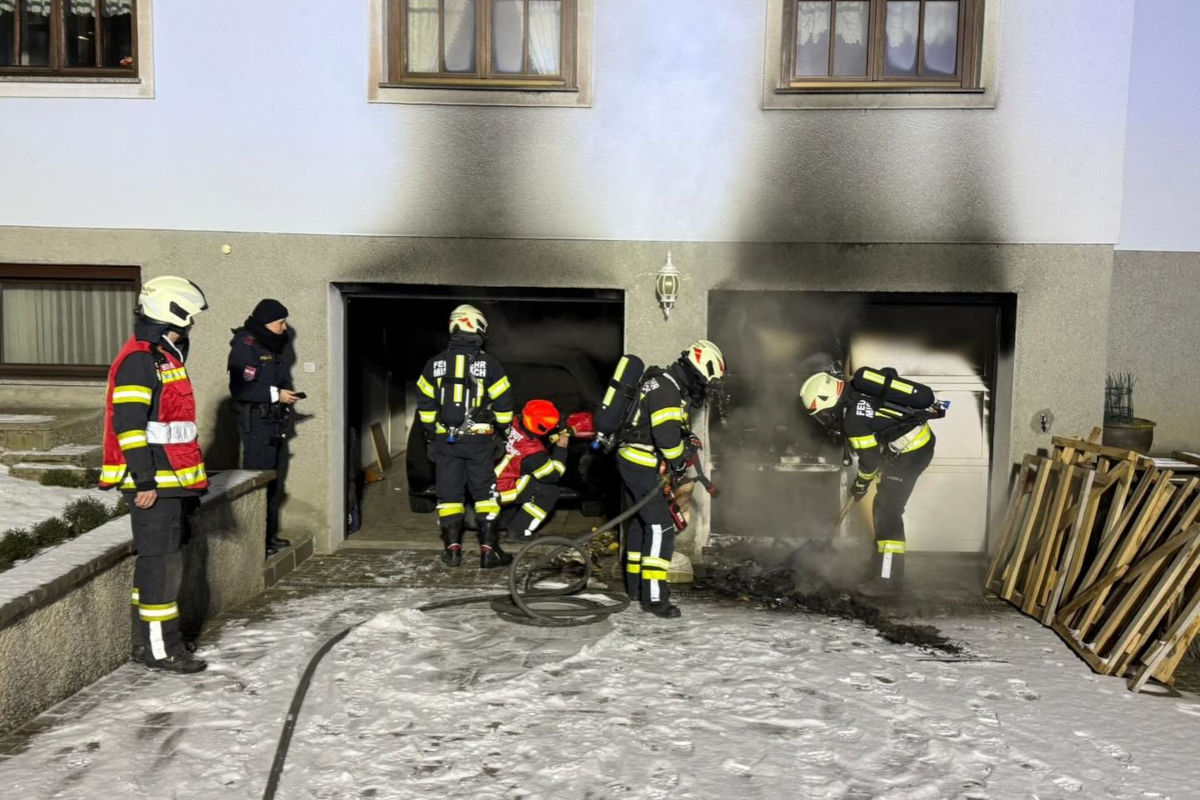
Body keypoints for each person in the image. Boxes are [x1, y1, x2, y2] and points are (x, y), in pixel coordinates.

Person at [98, 275, 210, 674]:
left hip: (171, 482)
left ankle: (149, 644)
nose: (191, 326)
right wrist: (144, 480)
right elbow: (129, 425)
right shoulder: (140, 361)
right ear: (170, 314)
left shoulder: (161, 355)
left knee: (157, 565)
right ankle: (164, 649)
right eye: (188, 319)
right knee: (161, 566)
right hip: (155, 485)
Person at [799, 366, 942, 592]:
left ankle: (887, 579)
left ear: (827, 402)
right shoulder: (855, 394)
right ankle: (881, 567)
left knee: (888, 512)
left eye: (822, 413)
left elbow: (870, 462)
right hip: (911, 448)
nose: (824, 419)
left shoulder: (853, 421)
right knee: (884, 507)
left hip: (912, 453)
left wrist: (859, 485)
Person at [617, 340, 726, 618]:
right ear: (698, 370)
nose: (702, 388)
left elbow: (665, 427)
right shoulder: (667, 389)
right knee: (661, 527)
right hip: (642, 463)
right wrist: (678, 462)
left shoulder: (662, 382)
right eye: (704, 381)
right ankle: (655, 598)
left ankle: (634, 588)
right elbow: (666, 439)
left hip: (631, 460)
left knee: (641, 525)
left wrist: (685, 436)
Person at [416, 304, 515, 568]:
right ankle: (489, 551)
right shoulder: (489, 363)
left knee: (448, 495)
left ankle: (452, 551)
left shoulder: (434, 364)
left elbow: (425, 405)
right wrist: (503, 432)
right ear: (477, 327)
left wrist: (431, 435)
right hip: (480, 440)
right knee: (485, 494)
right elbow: (504, 404)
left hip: (445, 440)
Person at [228, 298, 300, 556]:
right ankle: (255, 543)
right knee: (258, 483)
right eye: (281, 322)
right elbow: (241, 389)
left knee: (273, 483)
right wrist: (276, 395)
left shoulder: (271, 345)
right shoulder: (246, 347)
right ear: (267, 323)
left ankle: (267, 537)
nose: (285, 327)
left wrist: (283, 398)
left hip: (273, 424)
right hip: (257, 426)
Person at [496, 399, 571, 543]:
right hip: (501, 490)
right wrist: (561, 448)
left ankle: (504, 520)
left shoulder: (511, 421)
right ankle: (519, 531)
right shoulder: (533, 453)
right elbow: (553, 476)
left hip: (482, 481)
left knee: (524, 477)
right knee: (548, 491)